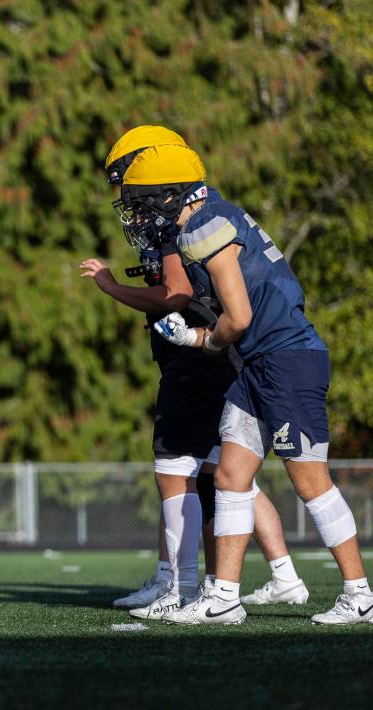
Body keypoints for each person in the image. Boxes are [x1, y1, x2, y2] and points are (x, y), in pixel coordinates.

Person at [120, 143, 371, 625]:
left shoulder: (200, 228)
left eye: (143, 203)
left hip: (285, 360)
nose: (139, 215)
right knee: (232, 476)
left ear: (168, 197)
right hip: (259, 363)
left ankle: (360, 593)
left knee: (310, 481)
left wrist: (200, 340)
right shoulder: (212, 210)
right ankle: (224, 599)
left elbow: (238, 317)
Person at [84, 126, 308, 619]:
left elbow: (179, 294)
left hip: (203, 354)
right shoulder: (196, 213)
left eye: (133, 188)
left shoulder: (182, 221)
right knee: (225, 473)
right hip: (211, 354)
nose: (129, 202)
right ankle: (276, 575)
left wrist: (113, 288)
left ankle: (184, 585)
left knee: (185, 469)